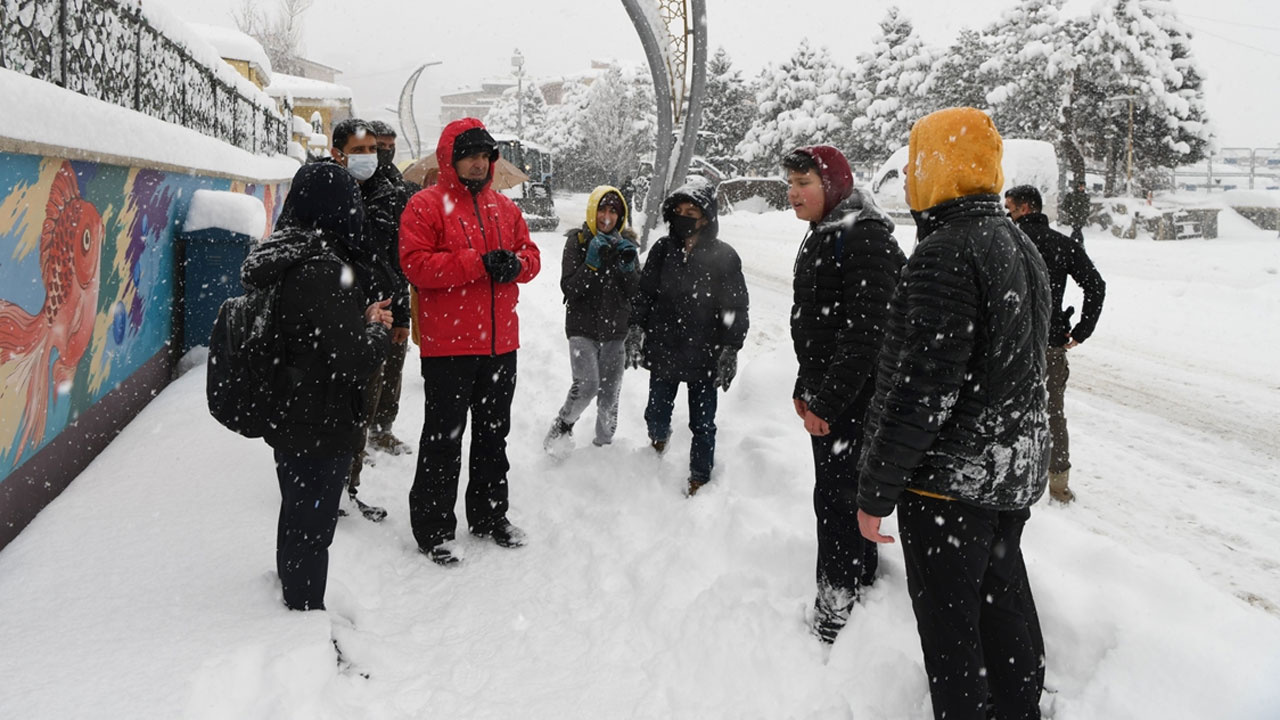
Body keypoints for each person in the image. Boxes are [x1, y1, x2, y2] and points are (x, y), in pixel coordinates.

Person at [856, 107, 1051, 720]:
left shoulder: (946, 251)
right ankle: (1017, 708)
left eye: (917, 162)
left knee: (950, 633)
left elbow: (923, 393)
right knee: (1002, 605)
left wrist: (874, 490)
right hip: (1007, 475)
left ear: (934, 168)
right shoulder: (1018, 242)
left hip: (949, 485)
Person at [241, 162, 392, 611]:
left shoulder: (288, 253)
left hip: (291, 411)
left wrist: (356, 322)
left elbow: (317, 335)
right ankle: (303, 616)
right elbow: (354, 359)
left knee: (296, 516)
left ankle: (292, 593)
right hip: (320, 418)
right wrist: (378, 329)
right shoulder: (324, 269)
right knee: (312, 529)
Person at [399, 118, 541, 566]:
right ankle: (434, 527)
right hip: (449, 348)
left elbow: (531, 257)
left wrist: (514, 266)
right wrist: (477, 263)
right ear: (451, 158)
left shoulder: (506, 208)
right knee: (444, 439)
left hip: (501, 345)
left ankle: (490, 515)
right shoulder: (424, 205)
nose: (479, 164)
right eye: (470, 156)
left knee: (493, 435)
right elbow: (417, 265)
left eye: (485, 156)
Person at [782, 146, 906, 643]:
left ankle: (836, 607)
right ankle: (860, 577)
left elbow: (865, 335)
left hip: (856, 399)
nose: (793, 193)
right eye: (789, 183)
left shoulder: (863, 239)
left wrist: (828, 403)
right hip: (834, 392)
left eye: (803, 183)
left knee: (837, 498)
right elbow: (817, 325)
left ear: (832, 185)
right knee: (841, 494)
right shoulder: (827, 233)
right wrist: (804, 385)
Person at [626, 177, 749, 497]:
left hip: (704, 354)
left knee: (704, 424)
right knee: (656, 413)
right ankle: (658, 438)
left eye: (691, 211)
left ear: (706, 216)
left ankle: (699, 476)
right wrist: (635, 328)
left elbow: (736, 307)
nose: (684, 217)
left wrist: (731, 349)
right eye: (678, 210)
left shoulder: (725, 256)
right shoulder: (663, 250)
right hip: (665, 348)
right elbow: (645, 294)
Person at [325, 118, 410, 522]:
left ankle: (346, 488)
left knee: (364, 404)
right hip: (326, 315)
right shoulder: (321, 191)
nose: (368, 158)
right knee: (327, 408)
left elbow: (399, 263)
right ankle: (322, 487)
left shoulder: (389, 195)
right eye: (358, 150)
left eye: (371, 150)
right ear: (336, 153)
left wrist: (400, 316)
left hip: (376, 315)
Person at [1006, 184, 1106, 503]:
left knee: (1003, 409)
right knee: (1052, 412)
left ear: (1025, 208)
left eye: (1009, 207)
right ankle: (1058, 485)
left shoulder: (1006, 241)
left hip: (1007, 343)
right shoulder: (1061, 244)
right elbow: (1096, 285)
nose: (1005, 211)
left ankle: (1010, 478)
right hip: (1050, 342)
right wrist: (1081, 330)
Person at [544, 187, 640, 453]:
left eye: (613, 212)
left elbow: (635, 292)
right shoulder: (578, 241)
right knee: (587, 386)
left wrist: (627, 268)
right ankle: (563, 425)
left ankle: (604, 449)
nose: (607, 217)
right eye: (602, 210)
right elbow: (570, 289)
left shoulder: (627, 245)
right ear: (593, 210)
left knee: (610, 397)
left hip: (615, 331)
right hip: (582, 328)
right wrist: (591, 264)